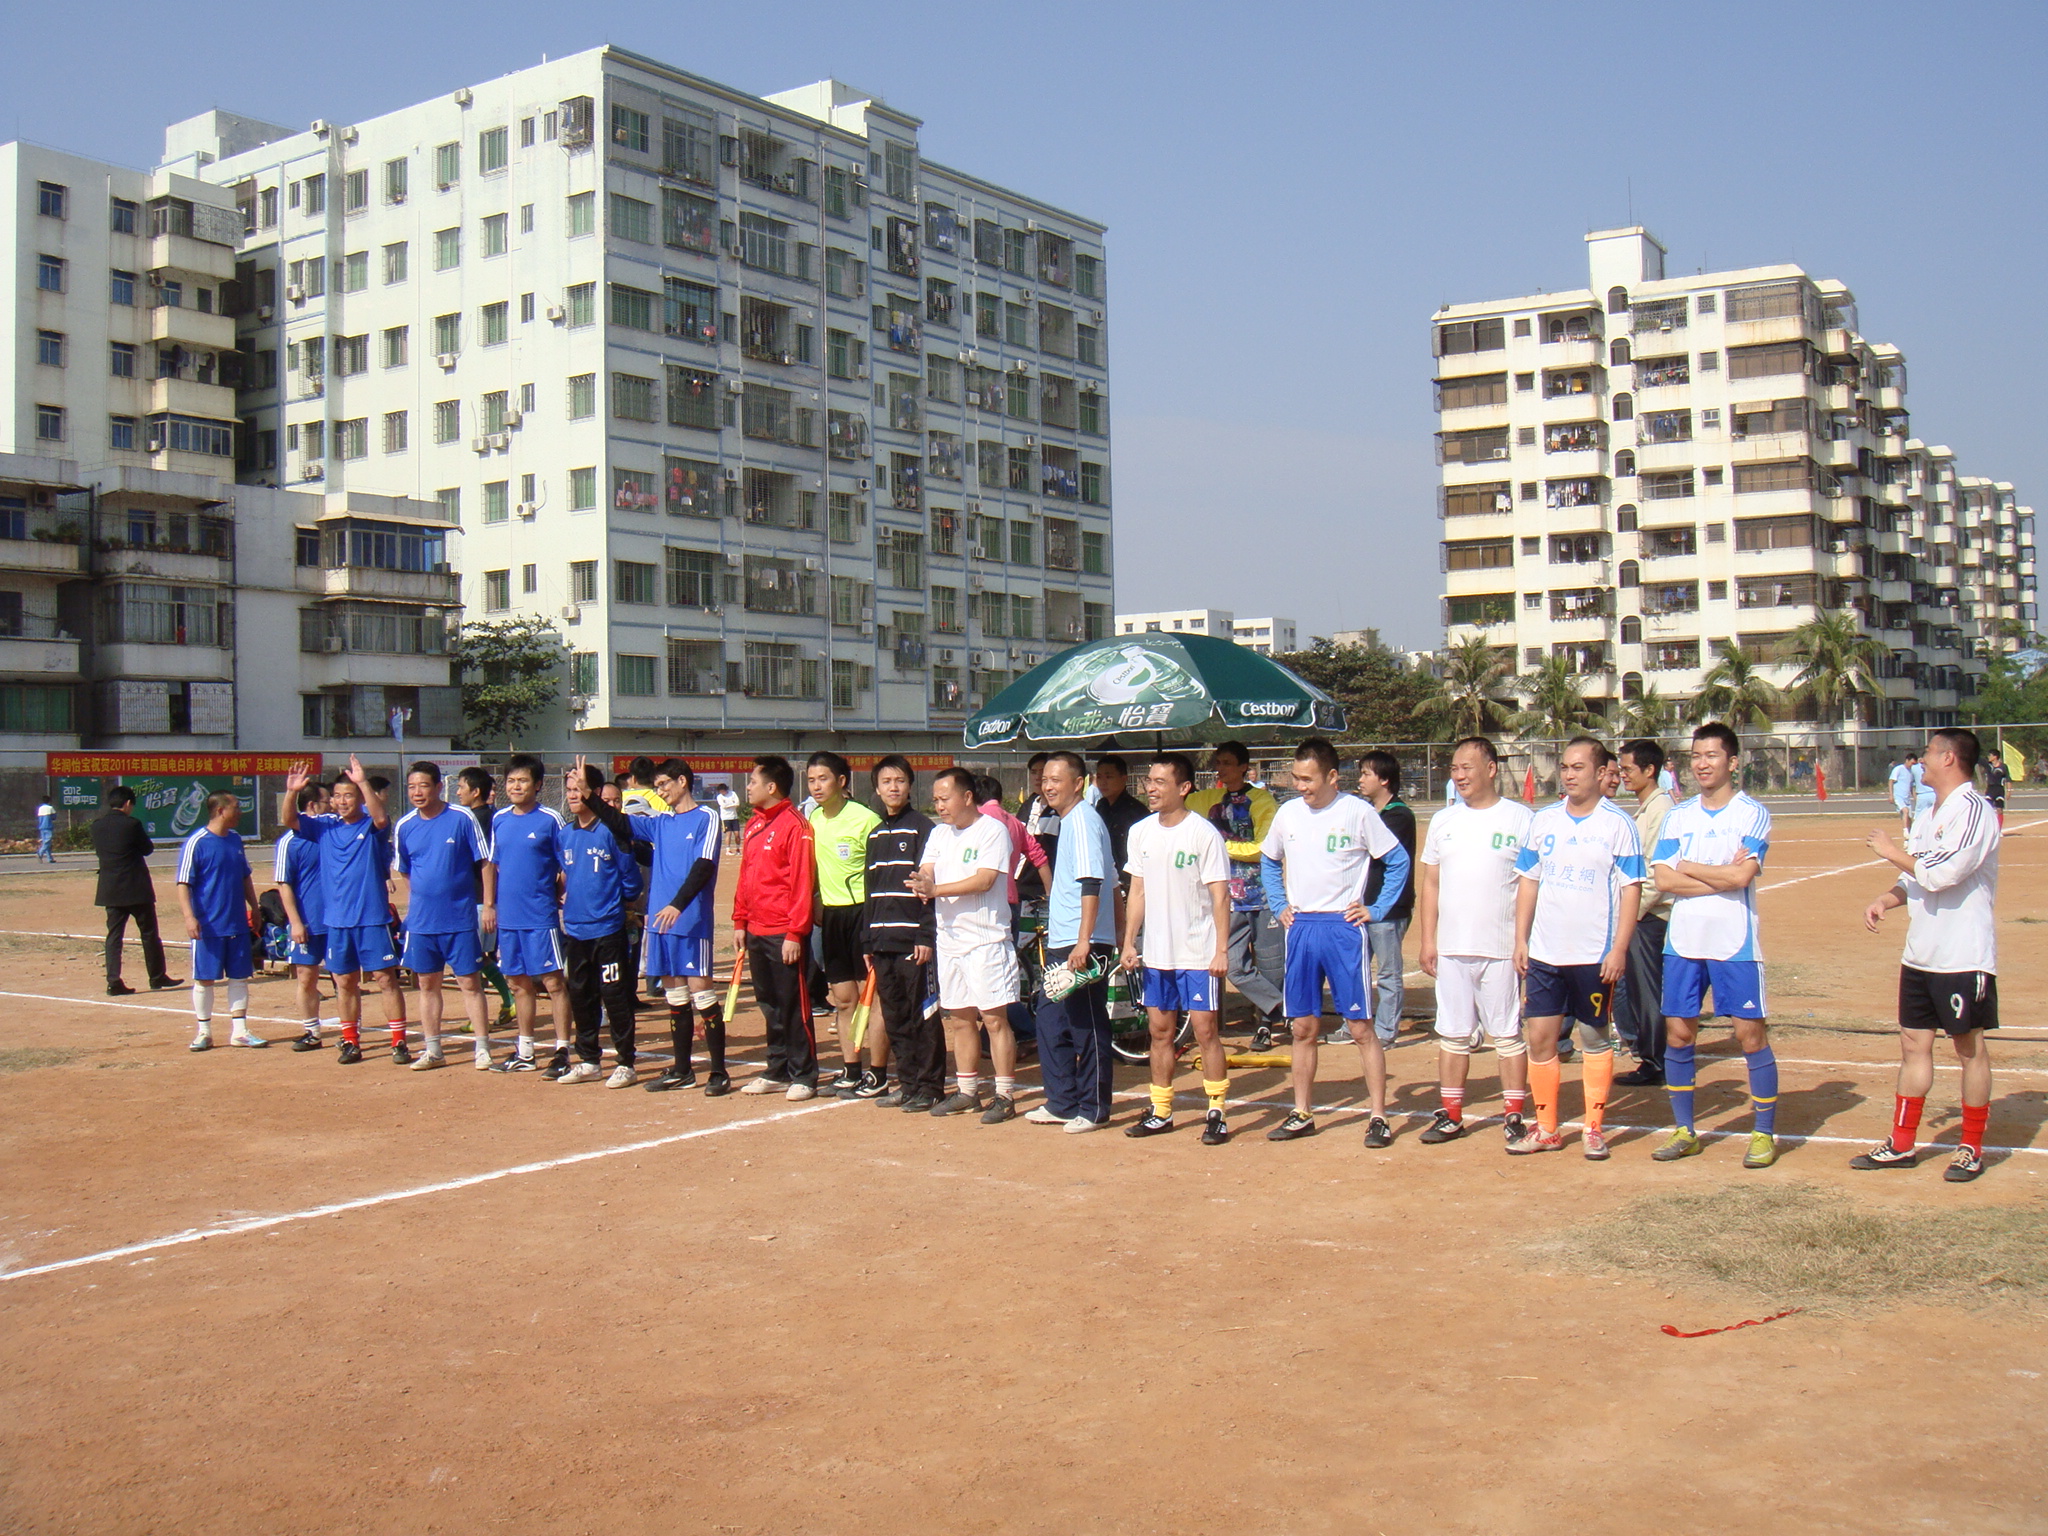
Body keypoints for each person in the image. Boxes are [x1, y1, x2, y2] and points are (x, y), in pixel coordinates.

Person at [1853, 729, 2001, 1182]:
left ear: (1949, 758)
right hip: (1921, 955)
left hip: (1962, 956)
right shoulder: (1926, 812)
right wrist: (1888, 898)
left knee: (1968, 1048)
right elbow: (1916, 877)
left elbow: (1943, 873)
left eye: (1930, 753)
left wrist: (1889, 851)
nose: (1921, 761)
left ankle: (1970, 1148)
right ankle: (1901, 1144)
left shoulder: (1974, 811)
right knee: (1912, 1045)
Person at [1259, 737, 1409, 1146]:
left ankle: (1378, 1116)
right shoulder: (1288, 814)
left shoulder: (1357, 812)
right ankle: (1301, 1112)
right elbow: (1269, 860)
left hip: (1343, 930)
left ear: (1331, 776)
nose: (1300, 786)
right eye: (1296, 778)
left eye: (1308, 779)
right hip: (1301, 928)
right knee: (1303, 1027)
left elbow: (1397, 860)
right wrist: (1279, 903)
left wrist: (1377, 909)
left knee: (1360, 1027)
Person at [1650, 723, 1780, 1167]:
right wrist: (1718, 876)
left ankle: (1763, 1133)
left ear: (1733, 762)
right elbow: (1663, 879)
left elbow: (1742, 876)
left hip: (1734, 941)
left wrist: (1688, 866)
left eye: (1712, 756)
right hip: (1683, 941)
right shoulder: (1678, 815)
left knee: (1749, 1035)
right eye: (1696, 756)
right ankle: (1685, 1130)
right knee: (1679, 1034)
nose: (1702, 764)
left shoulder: (1751, 813)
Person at [1509, 737, 1643, 1158]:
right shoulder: (1543, 820)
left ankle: (1593, 1128)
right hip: (1545, 954)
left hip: (1593, 955)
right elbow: (1529, 880)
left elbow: (1632, 889)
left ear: (1601, 773)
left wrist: (1619, 949)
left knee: (1594, 1038)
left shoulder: (1617, 824)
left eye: (1578, 767)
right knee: (1540, 1038)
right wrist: (1521, 939)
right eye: (1565, 767)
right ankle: (1547, 1128)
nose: (1568, 774)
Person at [1414, 737, 1532, 1146]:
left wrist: (1522, 941)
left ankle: (1514, 1115)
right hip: (1451, 949)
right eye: (1454, 769)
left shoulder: (1521, 819)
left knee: (1507, 1035)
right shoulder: (1443, 821)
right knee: (1453, 1034)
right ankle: (1451, 1115)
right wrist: (1428, 940)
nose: (1459, 775)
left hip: (1501, 949)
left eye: (1467, 767)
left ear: (1491, 769)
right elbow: (1431, 883)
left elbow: (1531, 885)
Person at [1120, 754, 1232, 1143]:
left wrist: (1221, 949)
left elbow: (1220, 896)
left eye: (1160, 782)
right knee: (1159, 1031)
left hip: (1198, 952)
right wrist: (1130, 940)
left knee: (1205, 1031)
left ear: (1184, 788)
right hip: (1157, 954)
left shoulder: (1204, 834)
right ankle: (1161, 1110)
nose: (1150, 788)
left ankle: (1217, 1111)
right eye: (1148, 781)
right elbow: (1137, 890)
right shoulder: (1140, 832)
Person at [281, 756, 410, 1066]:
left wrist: (363, 781)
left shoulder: (370, 825)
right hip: (337, 922)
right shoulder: (323, 827)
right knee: (345, 982)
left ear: (360, 798)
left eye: (348, 795)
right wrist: (291, 792)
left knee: (385, 980)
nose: (341, 801)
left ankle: (399, 1041)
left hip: (371, 919)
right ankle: (351, 1041)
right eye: (337, 795)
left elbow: (381, 818)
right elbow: (289, 820)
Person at [912, 766, 1021, 1120]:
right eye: (935, 801)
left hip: (987, 939)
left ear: (968, 797)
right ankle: (967, 1091)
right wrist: (921, 881)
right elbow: (927, 868)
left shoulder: (992, 830)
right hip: (950, 939)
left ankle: (1005, 1095)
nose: (939, 806)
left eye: (945, 799)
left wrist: (935, 889)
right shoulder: (939, 834)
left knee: (993, 1018)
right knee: (960, 1018)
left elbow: (984, 880)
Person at [1029, 751, 1120, 1132]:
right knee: (1051, 1019)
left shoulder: (1082, 820)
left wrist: (1087, 941)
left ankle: (1094, 1107)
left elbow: (1093, 883)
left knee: (1086, 1022)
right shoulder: (1070, 821)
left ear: (1078, 783)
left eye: (1057, 779)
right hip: (1065, 937)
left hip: (1082, 942)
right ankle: (1062, 1101)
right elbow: (1113, 883)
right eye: (1045, 779)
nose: (1048, 786)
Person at [636, 758, 730, 1095]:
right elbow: (619, 824)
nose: (660, 791)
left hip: (690, 922)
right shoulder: (660, 822)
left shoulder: (707, 817)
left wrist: (678, 904)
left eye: (663, 784)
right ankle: (682, 1069)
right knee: (675, 997)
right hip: (660, 924)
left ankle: (718, 1071)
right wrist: (589, 796)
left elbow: (704, 866)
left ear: (682, 781)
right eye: (656, 786)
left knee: (702, 994)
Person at [393, 761, 492, 1071]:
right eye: (411, 787)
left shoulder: (462, 818)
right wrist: (423, 899)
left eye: (423, 786)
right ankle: (433, 1049)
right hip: (422, 923)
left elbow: (485, 862)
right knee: (427, 984)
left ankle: (482, 1048)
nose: (417, 792)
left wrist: (489, 905)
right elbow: (405, 869)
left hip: (460, 919)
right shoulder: (405, 826)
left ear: (438, 787)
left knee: (470, 983)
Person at [733, 755, 818, 1099]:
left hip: (784, 932)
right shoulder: (754, 824)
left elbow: (802, 882)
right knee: (768, 1003)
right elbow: (745, 877)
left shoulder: (796, 826)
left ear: (771, 787)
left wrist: (795, 932)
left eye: (753, 782)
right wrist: (740, 921)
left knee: (793, 1005)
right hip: (756, 929)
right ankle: (777, 1068)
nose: (748, 787)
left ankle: (804, 1074)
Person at [482, 755, 572, 1076]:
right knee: (518, 984)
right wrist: (489, 905)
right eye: (511, 781)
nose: (516, 786)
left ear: (537, 785)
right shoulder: (499, 819)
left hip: (540, 917)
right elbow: (491, 863)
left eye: (522, 781)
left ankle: (562, 1051)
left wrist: (559, 891)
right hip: (509, 918)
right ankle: (526, 1051)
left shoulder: (551, 819)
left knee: (553, 983)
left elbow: (567, 863)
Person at [557, 760, 644, 1086]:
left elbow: (631, 882)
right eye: (568, 789)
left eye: (578, 788)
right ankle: (589, 1060)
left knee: (615, 994)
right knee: (581, 995)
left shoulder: (611, 832)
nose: (572, 795)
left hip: (608, 930)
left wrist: (620, 906)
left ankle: (625, 1062)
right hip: (576, 930)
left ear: (592, 792)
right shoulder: (565, 835)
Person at [1185, 741, 1285, 1025]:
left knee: (1272, 966)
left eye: (1227, 763)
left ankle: (1265, 1026)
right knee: (1234, 966)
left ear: (1244, 767)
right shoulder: (1208, 799)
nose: (1221, 768)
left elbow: (1264, 848)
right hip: (1228, 901)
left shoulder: (1262, 801)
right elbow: (1179, 805)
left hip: (1263, 896)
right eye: (1218, 763)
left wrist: (1220, 846)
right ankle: (1282, 1008)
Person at [805, 751, 884, 1095]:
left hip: (863, 914)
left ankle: (878, 1072)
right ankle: (851, 1069)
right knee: (843, 998)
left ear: (841, 781)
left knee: (872, 996)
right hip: (832, 917)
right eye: (811, 780)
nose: (816, 786)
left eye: (823, 779)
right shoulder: (813, 820)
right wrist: (816, 898)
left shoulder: (866, 820)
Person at [864, 756, 940, 1110]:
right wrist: (867, 939)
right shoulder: (875, 834)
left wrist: (925, 936)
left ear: (910, 786)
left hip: (912, 941)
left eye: (899, 781)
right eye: (886, 782)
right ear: (877, 789)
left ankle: (930, 1086)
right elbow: (870, 891)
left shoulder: (923, 829)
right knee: (894, 1015)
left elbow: (929, 889)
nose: (893, 788)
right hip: (882, 942)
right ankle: (908, 1083)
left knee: (922, 1014)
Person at [176, 791, 264, 1050]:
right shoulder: (197, 843)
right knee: (205, 979)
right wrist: (189, 917)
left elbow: (245, 876)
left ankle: (240, 1032)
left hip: (236, 923)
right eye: (236, 807)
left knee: (239, 977)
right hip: (209, 926)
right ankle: (204, 1032)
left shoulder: (235, 839)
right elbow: (183, 883)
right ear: (220, 811)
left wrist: (254, 907)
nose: (240, 812)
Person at [1614, 739, 1675, 1086]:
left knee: (1647, 991)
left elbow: (1654, 873)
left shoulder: (1661, 809)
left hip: (1649, 916)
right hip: (1641, 914)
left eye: (1628, 769)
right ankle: (1652, 1055)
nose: (1623, 775)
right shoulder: (1647, 808)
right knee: (1637, 989)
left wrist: (1632, 914)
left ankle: (1655, 1060)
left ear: (1650, 770)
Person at [1354, 750, 1415, 1048]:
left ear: (1385, 780)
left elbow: (1374, 850)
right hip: (1360, 906)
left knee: (1388, 973)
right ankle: (1354, 1024)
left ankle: (1386, 1031)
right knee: (1356, 969)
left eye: (1367, 773)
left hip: (1388, 908)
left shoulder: (1399, 816)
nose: (1360, 779)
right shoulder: (1369, 813)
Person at [93, 785, 178, 997]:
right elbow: (147, 849)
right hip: (136, 887)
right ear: (128, 803)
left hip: (110, 888)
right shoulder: (132, 824)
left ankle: (113, 980)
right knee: (149, 933)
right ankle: (157, 976)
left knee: (114, 936)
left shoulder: (97, 825)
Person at [453, 767, 517, 1027]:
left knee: (472, 958)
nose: (458, 792)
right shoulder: (489, 816)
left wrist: (488, 904)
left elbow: (485, 861)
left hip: (479, 899)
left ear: (475, 791)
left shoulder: (476, 820)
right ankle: (507, 1000)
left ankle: (505, 1001)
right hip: (483, 899)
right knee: (479, 955)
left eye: (461, 787)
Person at [274, 783, 331, 1050]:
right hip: (308, 921)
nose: (332, 806)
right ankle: (312, 1031)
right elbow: (284, 885)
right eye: (327, 801)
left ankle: (350, 1032)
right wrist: (295, 922)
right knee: (306, 977)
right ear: (312, 806)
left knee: (346, 977)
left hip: (338, 920)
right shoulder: (290, 842)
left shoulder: (331, 832)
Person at [1091, 753, 1149, 894]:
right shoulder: (1101, 806)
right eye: (1099, 777)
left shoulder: (1137, 812)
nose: (1103, 782)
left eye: (1109, 777)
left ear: (1124, 778)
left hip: (1129, 882)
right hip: (1105, 879)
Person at [1889, 750, 1920, 831]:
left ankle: (1910, 833)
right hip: (1898, 797)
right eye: (1912, 763)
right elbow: (1891, 781)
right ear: (1907, 760)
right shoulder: (1898, 769)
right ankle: (1905, 831)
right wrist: (1891, 795)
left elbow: (1911, 787)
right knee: (1905, 811)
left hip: (1907, 798)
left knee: (1909, 817)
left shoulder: (1912, 772)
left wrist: (1915, 797)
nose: (1912, 765)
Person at [1982, 748, 2009, 831]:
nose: (1989, 757)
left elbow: (2008, 779)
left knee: (1999, 809)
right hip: (1990, 789)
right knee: (1987, 808)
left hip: (1999, 789)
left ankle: (1999, 830)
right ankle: (1988, 829)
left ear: (1995, 756)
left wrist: (2009, 791)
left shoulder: (2003, 767)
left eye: (1990, 755)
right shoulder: (1988, 765)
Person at [715, 781, 742, 855]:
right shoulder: (719, 797)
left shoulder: (732, 793)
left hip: (734, 817)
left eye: (722, 791)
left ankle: (738, 849)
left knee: (737, 834)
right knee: (728, 834)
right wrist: (732, 804)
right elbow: (723, 806)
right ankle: (728, 850)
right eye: (720, 791)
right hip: (725, 818)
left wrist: (728, 805)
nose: (721, 792)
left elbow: (737, 803)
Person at [35, 796, 55, 862]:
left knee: (45, 842)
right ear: (49, 801)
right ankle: (40, 853)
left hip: (41, 827)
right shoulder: (50, 808)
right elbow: (54, 817)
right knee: (47, 842)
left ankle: (50, 858)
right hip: (48, 827)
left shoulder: (40, 808)